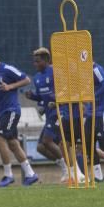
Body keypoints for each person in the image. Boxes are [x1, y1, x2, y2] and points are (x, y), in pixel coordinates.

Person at [0, 46, 39, 187]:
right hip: (1, 113)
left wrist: (10, 87)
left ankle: (8, 175)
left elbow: (26, 80)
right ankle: (30, 174)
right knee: (13, 143)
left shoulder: (7, 69)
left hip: (11, 110)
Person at [24, 48, 84, 183]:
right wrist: (33, 97)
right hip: (49, 114)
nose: (35, 64)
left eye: (38, 61)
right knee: (40, 147)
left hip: (60, 112)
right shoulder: (38, 78)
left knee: (48, 141)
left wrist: (57, 100)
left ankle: (69, 171)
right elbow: (42, 97)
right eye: (34, 61)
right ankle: (70, 170)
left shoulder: (56, 72)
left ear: (46, 60)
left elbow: (66, 90)